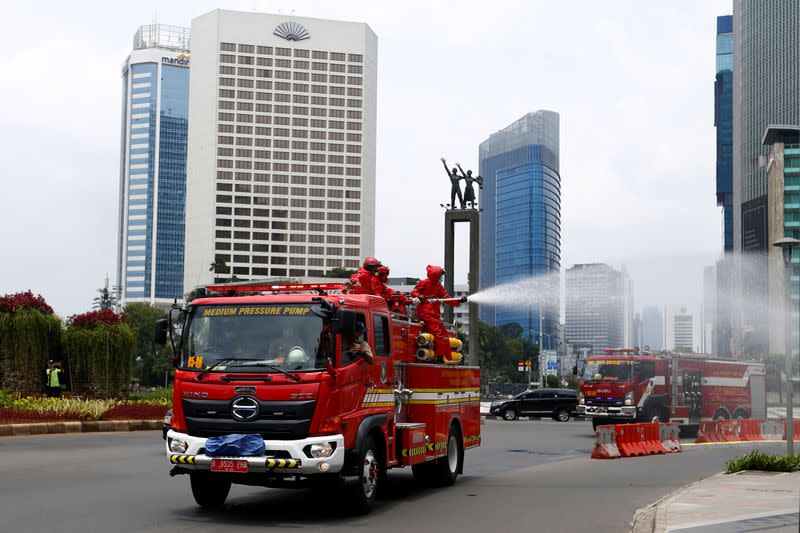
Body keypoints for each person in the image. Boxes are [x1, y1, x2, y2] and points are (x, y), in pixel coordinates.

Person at [411, 265, 467, 339]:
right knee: (439, 335)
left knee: (445, 335)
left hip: (434, 316)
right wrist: (420, 297)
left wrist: (459, 300)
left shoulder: (439, 286)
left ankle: (445, 350)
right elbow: (414, 292)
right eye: (440, 275)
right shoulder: (424, 283)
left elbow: (446, 298)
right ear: (435, 276)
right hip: (426, 314)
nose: (441, 278)